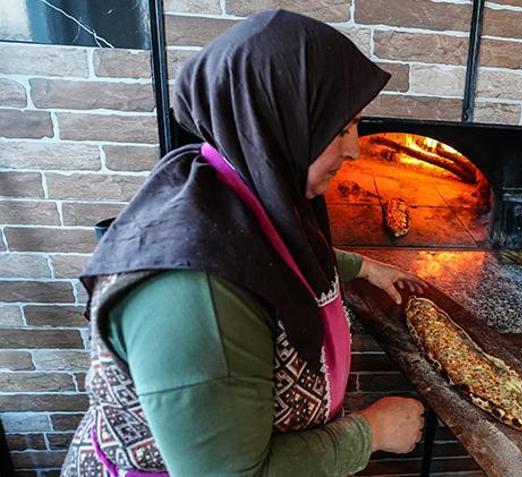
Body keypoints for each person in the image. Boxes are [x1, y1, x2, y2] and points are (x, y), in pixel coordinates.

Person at [61, 9, 427, 477]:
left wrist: (363, 267)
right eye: (340, 128)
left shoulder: (232, 183)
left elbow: (268, 259)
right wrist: (372, 433)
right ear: (277, 123)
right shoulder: (197, 292)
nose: (354, 148)